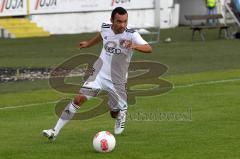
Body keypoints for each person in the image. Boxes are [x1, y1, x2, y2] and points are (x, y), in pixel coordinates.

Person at [42, 7, 152, 141]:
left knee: (113, 113)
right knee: (78, 99)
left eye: (125, 21)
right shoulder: (105, 27)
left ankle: (121, 114)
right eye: (119, 21)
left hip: (117, 81)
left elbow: (148, 48)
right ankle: (54, 132)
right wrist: (88, 44)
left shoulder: (131, 34)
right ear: (112, 20)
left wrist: (134, 46)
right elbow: (101, 35)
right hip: (99, 75)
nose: (122, 25)